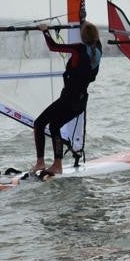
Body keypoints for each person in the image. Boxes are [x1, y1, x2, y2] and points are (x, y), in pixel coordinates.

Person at [32, 21, 102, 175]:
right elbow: (92, 36)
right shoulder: (98, 50)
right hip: (80, 102)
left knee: (39, 124)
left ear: (82, 38)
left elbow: (54, 47)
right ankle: (57, 165)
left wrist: (45, 31)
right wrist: (82, 21)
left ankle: (40, 163)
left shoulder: (79, 49)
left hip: (68, 100)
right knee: (54, 126)